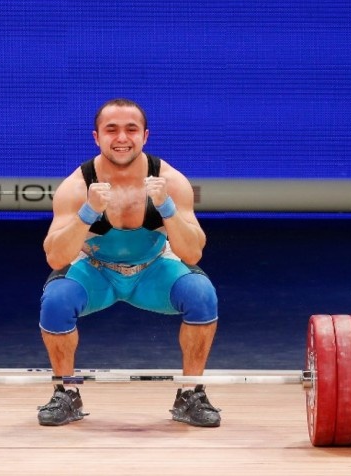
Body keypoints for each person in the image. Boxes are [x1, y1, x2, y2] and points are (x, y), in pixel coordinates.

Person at [37, 98, 220, 427]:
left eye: (131, 129)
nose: (122, 138)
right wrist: (88, 212)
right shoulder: (75, 187)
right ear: (96, 137)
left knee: (201, 293)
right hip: (96, 273)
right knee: (56, 299)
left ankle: (191, 393)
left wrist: (165, 207)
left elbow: (192, 254)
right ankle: (66, 391)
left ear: (145, 136)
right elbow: (55, 257)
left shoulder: (172, 182)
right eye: (112, 130)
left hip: (153, 271)